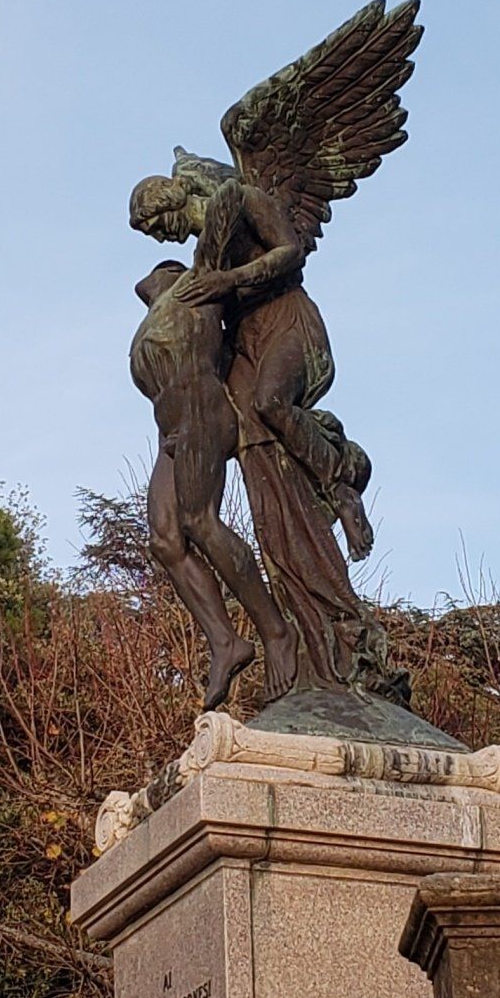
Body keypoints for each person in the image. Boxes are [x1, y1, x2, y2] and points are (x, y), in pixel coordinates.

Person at [127, 255, 298, 710]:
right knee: (164, 538)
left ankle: (277, 633)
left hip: (205, 408)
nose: (143, 282)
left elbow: (259, 257)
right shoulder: (155, 316)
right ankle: (225, 641)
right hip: (172, 426)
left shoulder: (197, 285)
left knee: (200, 520)